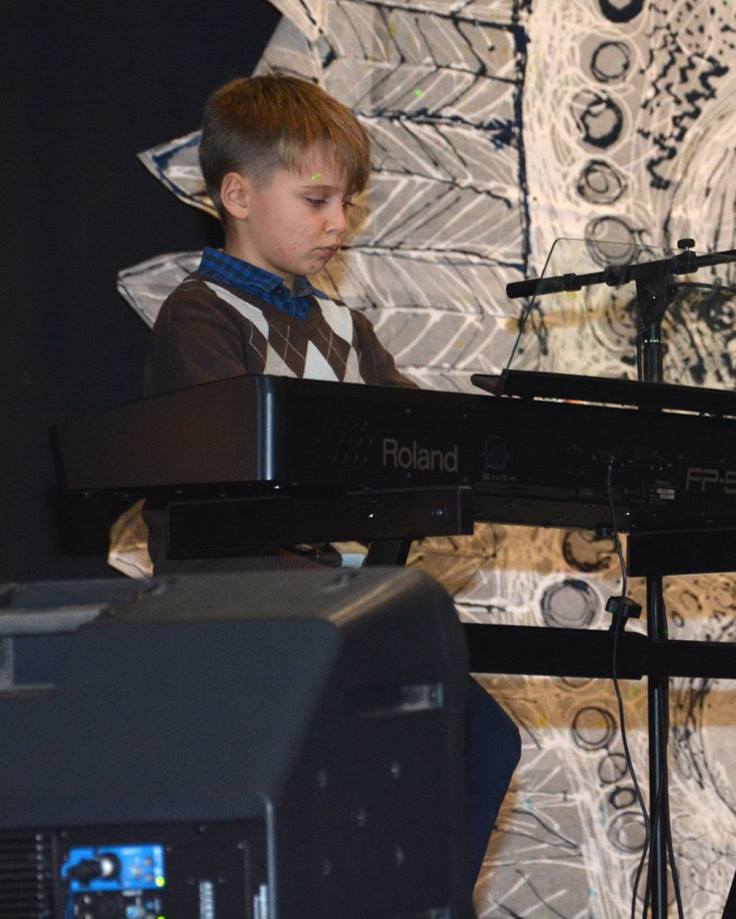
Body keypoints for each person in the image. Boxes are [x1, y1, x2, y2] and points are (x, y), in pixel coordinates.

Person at [142, 74, 521, 897]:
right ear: (237, 195)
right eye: (316, 200)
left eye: (347, 203)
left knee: (480, 739)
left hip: (332, 606)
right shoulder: (200, 315)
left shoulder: (348, 329)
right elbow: (233, 466)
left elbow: (420, 438)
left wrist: (512, 432)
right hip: (239, 609)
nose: (339, 224)